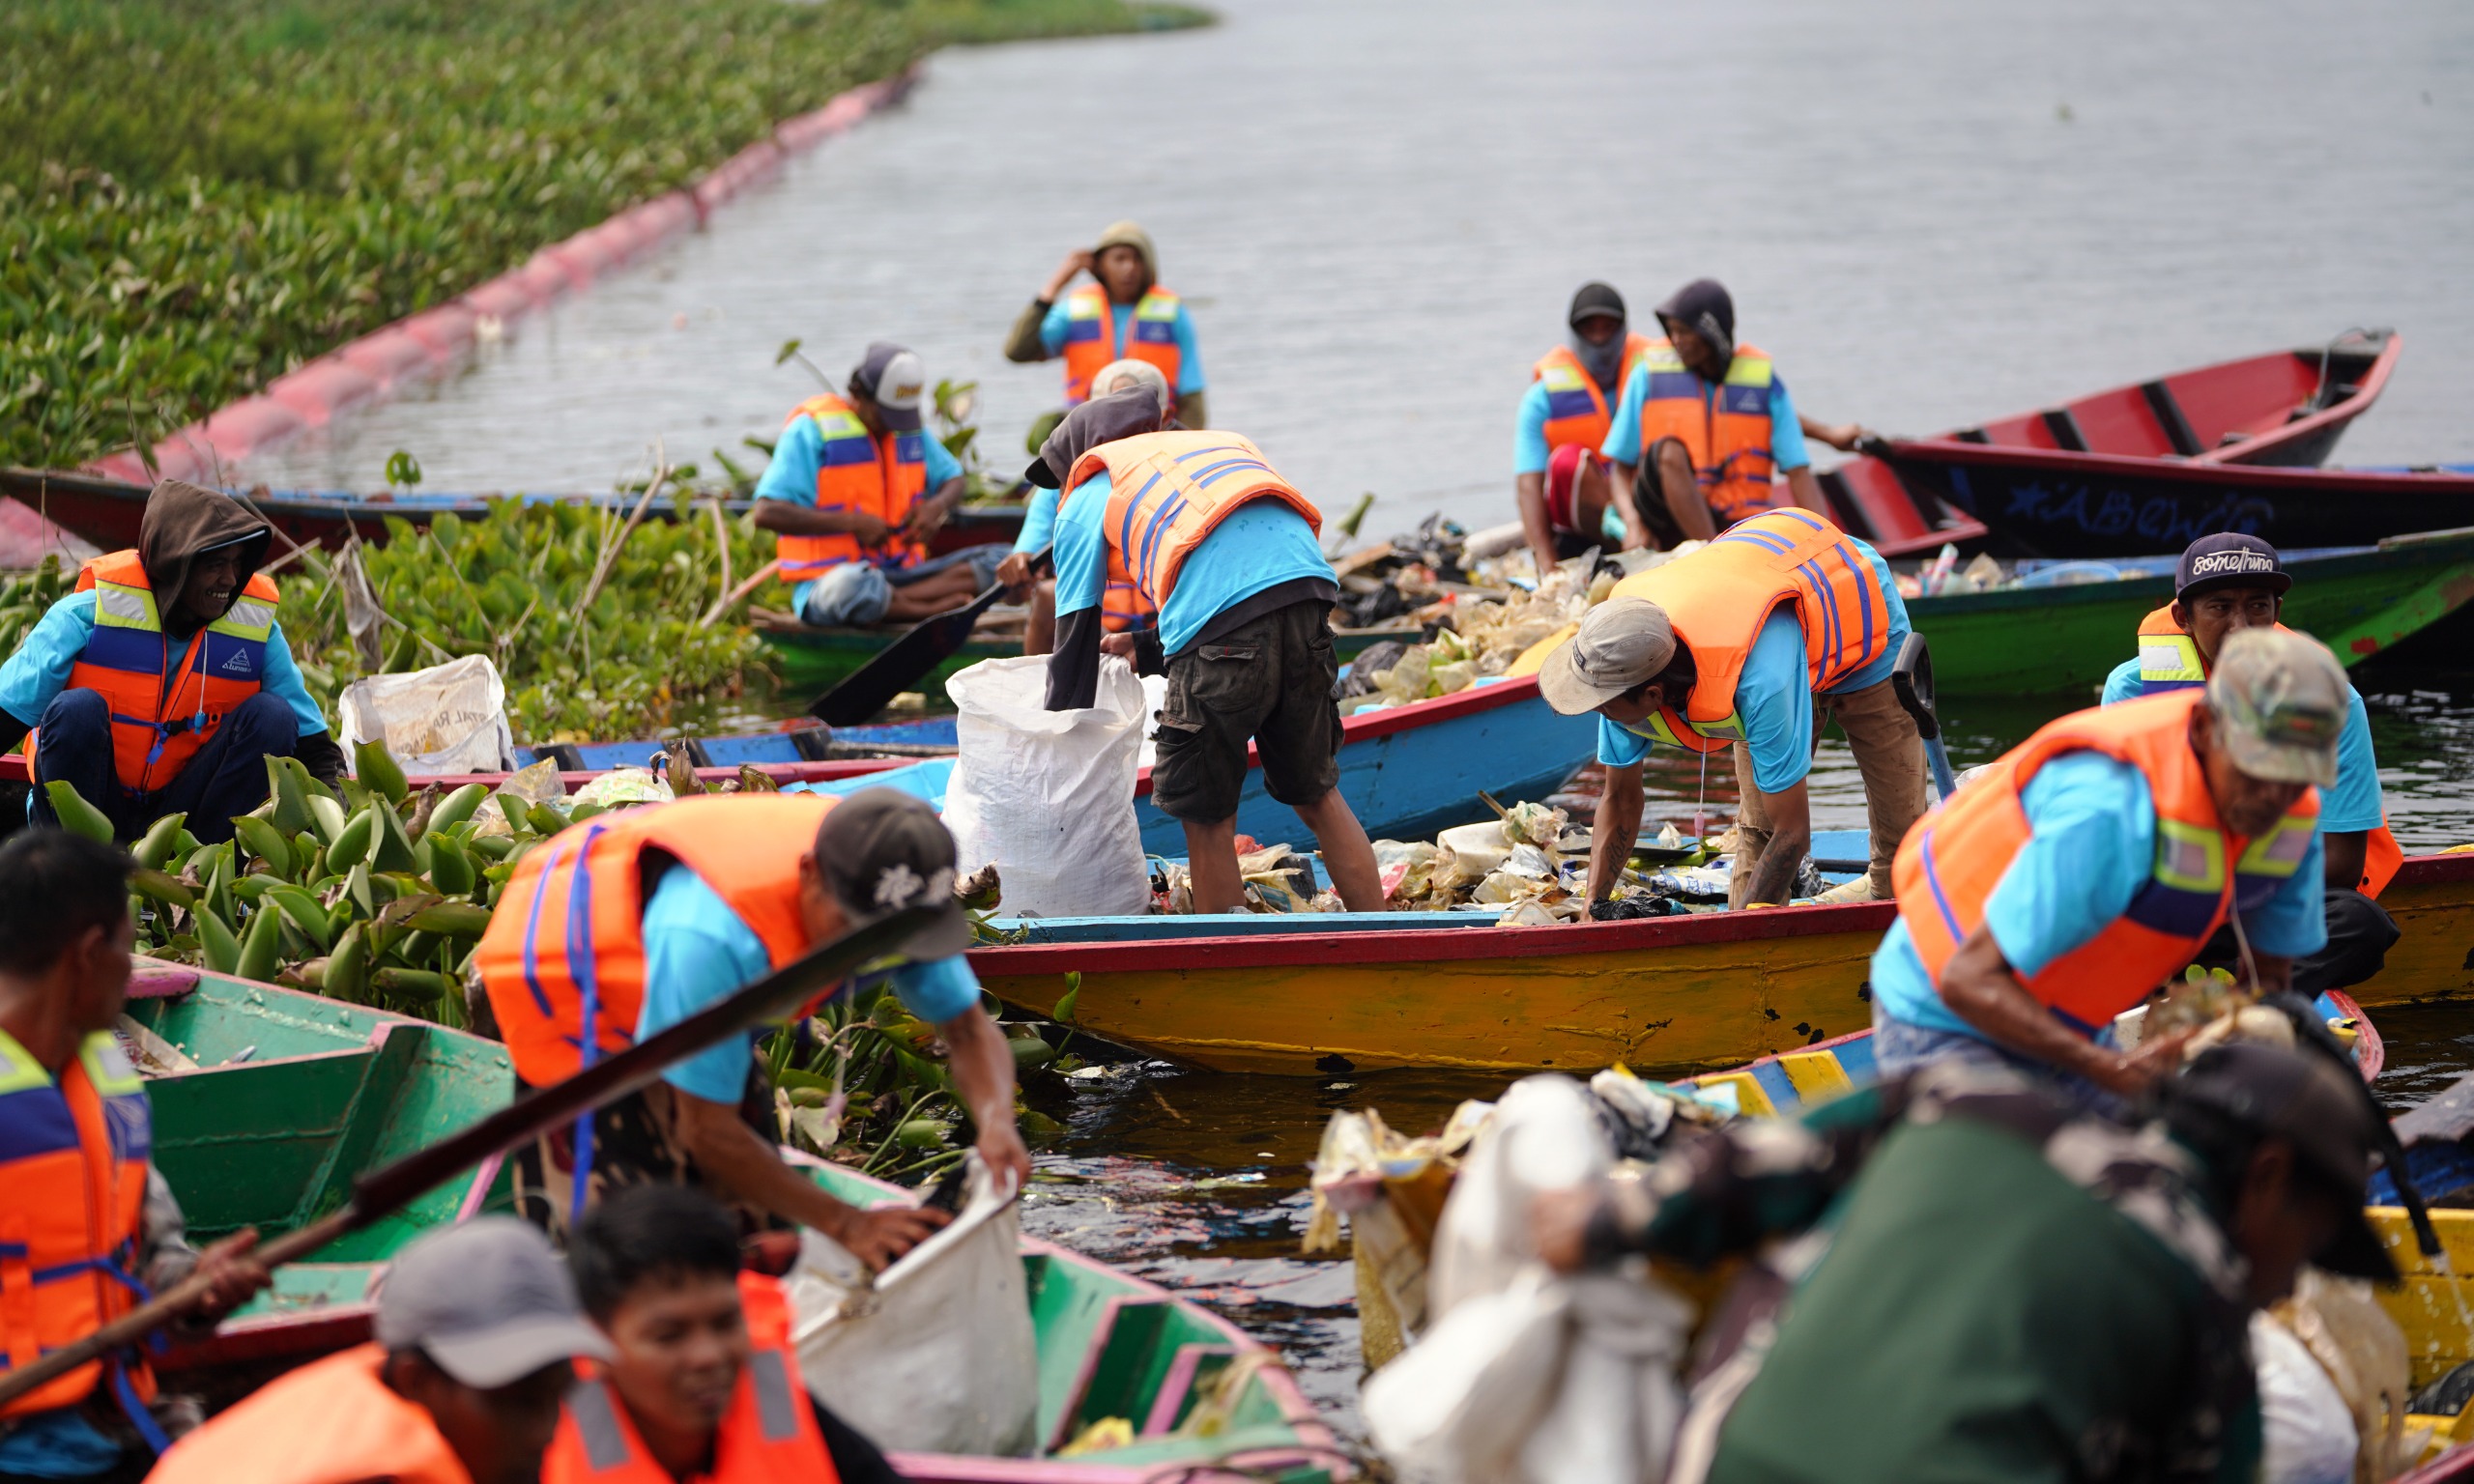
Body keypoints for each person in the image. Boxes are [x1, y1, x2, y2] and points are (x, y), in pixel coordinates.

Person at [1537, 1041, 2396, 1484]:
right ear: (2268, 1177)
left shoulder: (1963, 1101)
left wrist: (1604, 1220)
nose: (2291, 1282)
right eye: (2311, 1243)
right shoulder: (2209, 1307)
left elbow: (1735, 1178)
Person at [474, 789, 1029, 1270]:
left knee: (756, 1231)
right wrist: (847, 1224)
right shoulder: (710, 935)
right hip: (578, 990)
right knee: (624, 1254)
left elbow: (968, 1032)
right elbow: (705, 1129)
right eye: (856, 934)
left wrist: (997, 1121)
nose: (874, 954)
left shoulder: (893, 895)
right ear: (810, 874)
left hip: (699, 1002)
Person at [1869, 627, 2343, 1099]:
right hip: (1942, 1018)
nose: (2272, 795)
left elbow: (2270, 986)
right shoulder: (2109, 811)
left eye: (2294, 776)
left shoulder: (2289, 819)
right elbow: (1966, 981)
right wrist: (2110, 1068)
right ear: (2203, 729)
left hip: (2070, 1023)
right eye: (2256, 767)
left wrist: (2229, 1039)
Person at [1032, 389, 1382, 916]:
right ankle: (1381, 934)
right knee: (1317, 793)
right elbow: (1251, 580)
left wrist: (1055, 746)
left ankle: (1224, 956)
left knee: (1208, 818)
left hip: (1227, 625)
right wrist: (1148, 648)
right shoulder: (1215, 449)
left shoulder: (1090, 489)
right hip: (1309, 598)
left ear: (1082, 455)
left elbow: (1075, 642)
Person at [0, 831, 269, 1484]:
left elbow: (146, 1258)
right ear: (89, 956)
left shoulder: (106, 1081)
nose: (134, 967)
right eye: (128, 946)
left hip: (112, 1422)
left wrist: (198, 1287)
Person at [1539, 507, 1925, 911]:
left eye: (1605, 708)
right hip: (1765, 616)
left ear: (1653, 695)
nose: (1601, 715)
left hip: (1856, 615)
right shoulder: (1621, 664)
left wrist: (1739, 934)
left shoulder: (1756, 682)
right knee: (1757, 827)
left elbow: (1793, 833)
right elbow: (1619, 800)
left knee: (1902, 843)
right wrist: (1592, 909)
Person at [2103, 532, 2401, 992]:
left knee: (2360, 923)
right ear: (2183, 617)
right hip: (2169, 899)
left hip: (2269, 898)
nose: (2241, 627)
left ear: (2277, 613)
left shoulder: (2331, 700)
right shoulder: (2133, 690)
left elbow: (2341, 861)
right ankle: (2192, 977)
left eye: (2258, 607)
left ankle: (2241, 1001)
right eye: (2220, 607)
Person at [0, 479, 345, 843]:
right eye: (215, 565)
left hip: (183, 824)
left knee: (273, 717)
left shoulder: (257, 631)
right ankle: (76, 866)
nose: (229, 580)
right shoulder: (83, 616)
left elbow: (316, 750)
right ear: (174, 563)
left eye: (236, 565)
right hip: (89, 815)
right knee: (77, 709)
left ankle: (197, 870)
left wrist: (340, 818)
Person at [146, 1218, 608, 1484]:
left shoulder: (381, 1388)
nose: (543, 1433)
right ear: (416, 1382)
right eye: (517, 1403)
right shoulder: (367, 1476)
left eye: (557, 1396)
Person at [547, 1184, 900, 1484]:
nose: (709, 1356)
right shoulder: (539, 1448)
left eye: (725, 1323)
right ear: (594, 1343)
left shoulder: (769, 1392)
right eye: (669, 1336)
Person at [751, 343, 1008, 629]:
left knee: (1002, 560)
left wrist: (935, 507)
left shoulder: (906, 430)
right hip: (831, 581)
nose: (891, 426)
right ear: (858, 394)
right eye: (884, 415)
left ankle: (904, 602)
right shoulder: (811, 429)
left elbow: (954, 478)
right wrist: (852, 523)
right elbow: (766, 512)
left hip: (903, 573)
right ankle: (923, 610)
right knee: (854, 586)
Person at [1599, 279, 1872, 546]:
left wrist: (1830, 545)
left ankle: (1724, 551)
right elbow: (1620, 470)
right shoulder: (1648, 375)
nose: (1675, 340)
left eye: (1684, 332)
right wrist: (1631, 521)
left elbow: (1798, 471)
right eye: (1672, 331)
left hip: (1736, 522)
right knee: (1668, 451)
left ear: (1710, 335)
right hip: (1667, 522)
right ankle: (1710, 554)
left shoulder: (1763, 384)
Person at [993, 358, 1170, 655]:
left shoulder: (1173, 472)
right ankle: (1043, 694)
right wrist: (1019, 570)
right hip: (1099, 630)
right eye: (1112, 420)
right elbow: (1025, 561)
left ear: (1163, 421)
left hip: (1164, 631)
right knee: (1048, 596)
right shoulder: (1062, 481)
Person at [1004, 220, 1207, 429]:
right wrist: (1056, 285)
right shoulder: (1074, 312)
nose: (1130, 267)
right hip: (1088, 431)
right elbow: (1018, 351)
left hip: (1152, 432)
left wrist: (1186, 446)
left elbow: (1191, 393)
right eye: (1119, 259)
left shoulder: (1172, 313)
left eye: (1138, 259)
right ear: (1100, 265)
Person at [1514, 282, 1657, 575]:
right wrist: (1547, 563)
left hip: (1645, 498)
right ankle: (1629, 543)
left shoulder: (1651, 377)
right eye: (1590, 329)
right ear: (1574, 333)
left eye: (1608, 328)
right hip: (1590, 515)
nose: (1600, 339)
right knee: (1567, 462)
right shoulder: (1544, 397)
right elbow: (1528, 485)